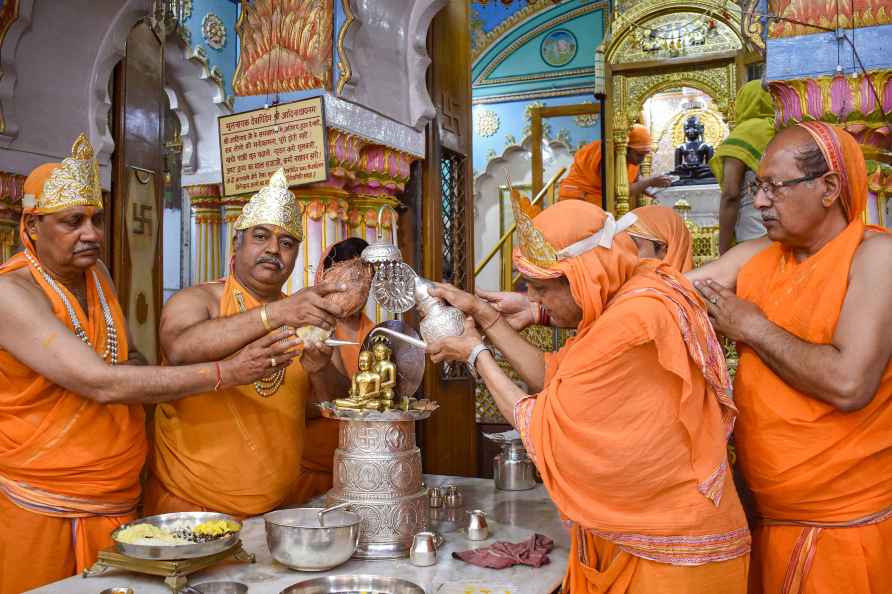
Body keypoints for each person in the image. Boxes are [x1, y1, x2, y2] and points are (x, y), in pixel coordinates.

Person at [0, 135, 298, 594]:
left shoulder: (96, 275)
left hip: (115, 491)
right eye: (72, 221)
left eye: (96, 219)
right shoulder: (11, 294)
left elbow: (125, 361)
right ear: (33, 226)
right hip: (41, 500)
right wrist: (227, 373)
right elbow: (99, 381)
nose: (92, 234)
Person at [427, 197, 749, 593]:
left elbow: (541, 423)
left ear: (583, 276)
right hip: (644, 535)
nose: (533, 301)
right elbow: (553, 375)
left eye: (542, 288)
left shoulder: (632, 321)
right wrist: (484, 314)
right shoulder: (627, 301)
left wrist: (475, 355)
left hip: (674, 554)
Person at [693, 122, 892, 593]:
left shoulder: (876, 257)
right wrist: (552, 300)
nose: (759, 201)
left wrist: (752, 327)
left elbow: (849, 383)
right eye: (758, 187)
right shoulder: (760, 254)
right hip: (764, 519)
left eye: (774, 187)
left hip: (847, 533)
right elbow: (671, 294)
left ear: (828, 188)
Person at [145, 168, 350, 518]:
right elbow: (180, 347)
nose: (274, 249)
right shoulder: (199, 300)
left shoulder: (301, 317)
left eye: (287, 243)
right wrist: (278, 313)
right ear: (236, 243)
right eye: (260, 237)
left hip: (275, 511)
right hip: (192, 507)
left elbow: (339, 401)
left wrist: (318, 372)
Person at [479, 204, 693, 330]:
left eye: (634, 245)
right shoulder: (626, 298)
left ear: (665, 249)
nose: (626, 253)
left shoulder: (665, 303)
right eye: (621, 244)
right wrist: (534, 311)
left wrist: (476, 352)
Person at [291, 237, 375, 503]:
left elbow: (372, 399)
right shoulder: (303, 324)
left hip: (355, 461)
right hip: (304, 466)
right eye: (347, 279)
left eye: (364, 282)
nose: (356, 289)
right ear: (325, 276)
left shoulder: (375, 334)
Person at [710, 80, 773, 254]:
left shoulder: (743, 136)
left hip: (753, 231)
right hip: (787, 227)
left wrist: (724, 250)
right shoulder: (784, 130)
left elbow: (731, 194)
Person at [559, 124, 673, 207]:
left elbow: (637, 181)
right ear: (626, 148)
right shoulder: (608, 155)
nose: (642, 159)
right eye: (639, 154)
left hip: (598, 203)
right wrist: (649, 182)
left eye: (645, 155)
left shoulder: (632, 160)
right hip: (577, 199)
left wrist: (655, 190)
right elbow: (619, 191)